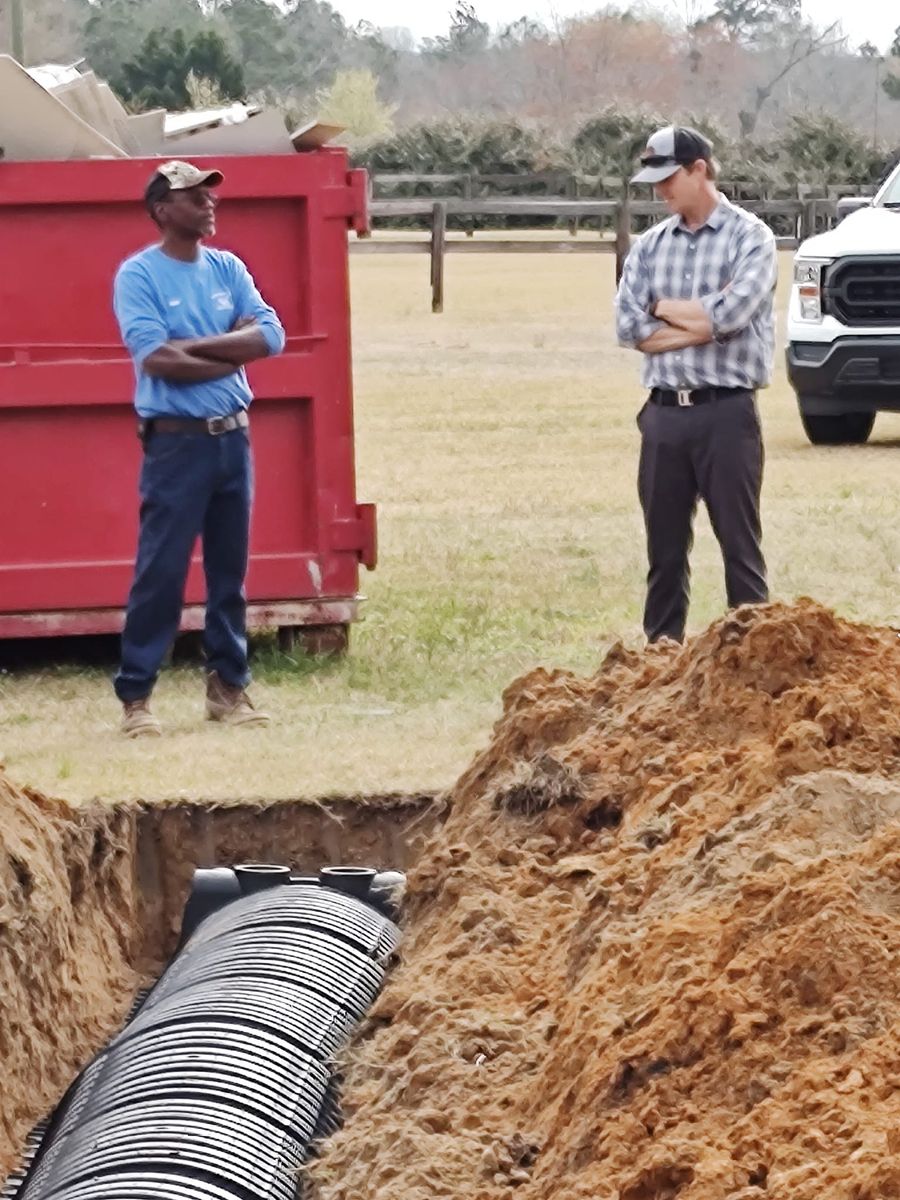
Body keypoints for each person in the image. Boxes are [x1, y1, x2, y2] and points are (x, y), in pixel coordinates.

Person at [112, 160, 286, 737]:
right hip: (176, 446)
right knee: (160, 572)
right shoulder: (139, 276)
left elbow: (272, 336)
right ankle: (137, 697)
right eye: (193, 197)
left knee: (229, 573)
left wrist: (197, 347)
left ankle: (228, 689)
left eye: (210, 195)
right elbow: (156, 359)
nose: (209, 204)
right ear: (163, 210)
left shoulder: (227, 267)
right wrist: (232, 351)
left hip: (232, 439)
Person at [615, 125, 777, 644]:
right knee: (663, 554)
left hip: (726, 414)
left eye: (668, 179)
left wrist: (659, 311)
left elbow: (732, 314)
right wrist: (700, 322)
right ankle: (659, 663)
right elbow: (627, 328)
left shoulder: (750, 237)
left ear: (699, 169)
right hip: (663, 415)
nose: (660, 191)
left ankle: (753, 668)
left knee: (740, 551)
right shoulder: (649, 246)